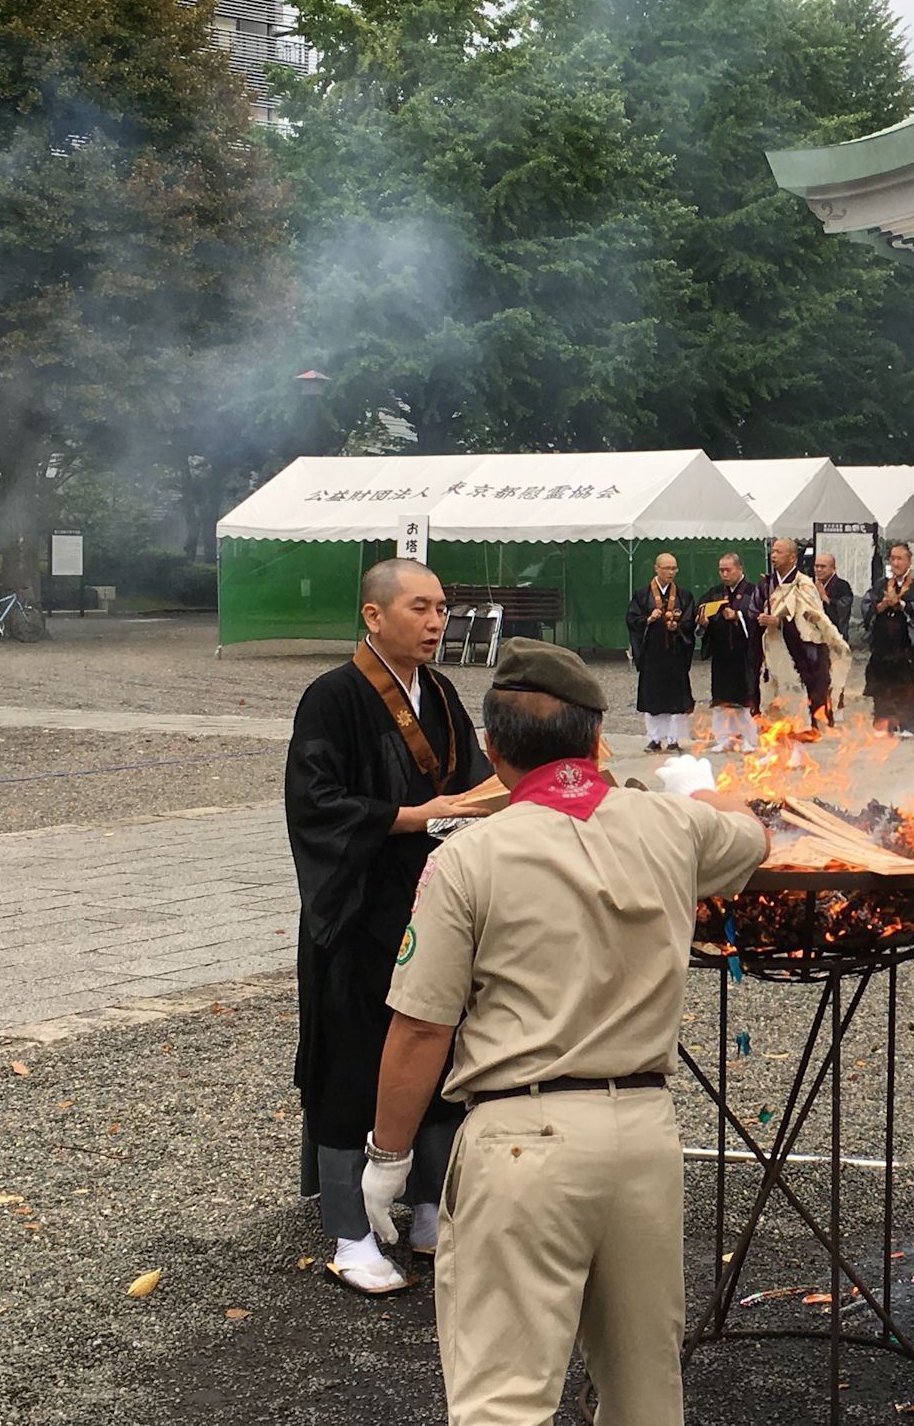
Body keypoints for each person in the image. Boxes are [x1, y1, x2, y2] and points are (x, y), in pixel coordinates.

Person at [363, 639, 769, 1423]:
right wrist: (696, 783)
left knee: (504, 1400)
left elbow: (420, 1030)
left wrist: (388, 1155)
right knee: (646, 1395)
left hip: (523, 1139)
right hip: (646, 1136)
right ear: (595, 739)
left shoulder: (468, 857)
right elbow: (752, 834)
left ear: (492, 749)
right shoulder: (669, 829)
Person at [284, 558, 492, 1295]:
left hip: (431, 895)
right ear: (374, 615)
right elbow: (316, 805)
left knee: (438, 1046)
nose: (437, 622)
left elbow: (470, 780)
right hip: (357, 904)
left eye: (442, 608)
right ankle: (349, 1229)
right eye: (420, 608)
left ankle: (430, 1205)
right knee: (354, 1058)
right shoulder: (332, 697)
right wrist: (416, 816)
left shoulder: (438, 691)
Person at [759, 536, 849, 731]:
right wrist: (761, 618)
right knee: (775, 690)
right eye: (772, 551)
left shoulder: (804, 584)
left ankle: (807, 726)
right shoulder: (766, 584)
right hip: (775, 647)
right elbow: (754, 609)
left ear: (792, 557)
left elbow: (813, 615)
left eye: (778, 552)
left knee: (806, 689)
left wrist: (781, 620)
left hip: (802, 646)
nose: (773, 556)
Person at [626, 553, 697, 751]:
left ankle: (674, 739)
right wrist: (648, 619)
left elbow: (690, 621)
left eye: (674, 568)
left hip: (675, 653)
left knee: (676, 698)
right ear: (656, 568)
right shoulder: (642, 595)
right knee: (653, 697)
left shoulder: (684, 595)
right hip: (652, 654)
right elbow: (632, 619)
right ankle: (655, 738)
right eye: (667, 568)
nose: (671, 572)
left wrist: (678, 627)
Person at [861, 542, 914, 738]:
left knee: (905, 686)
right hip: (883, 645)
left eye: (900, 558)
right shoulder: (880, 585)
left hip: (904, 645)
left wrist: (902, 604)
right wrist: (880, 606)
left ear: (909, 561)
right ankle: (884, 722)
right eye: (893, 558)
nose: (896, 562)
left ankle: (909, 724)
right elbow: (867, 606)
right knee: (882, 686)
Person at [698, 553, 762, 753]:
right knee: (722, 699)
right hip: (722, 654)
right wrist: (705, 623)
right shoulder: (715, 593)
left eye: (728, 570)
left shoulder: (755, 591)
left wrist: (739, 615)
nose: (724, 574)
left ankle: (749, 739)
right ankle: (724, 738)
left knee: (746, 698)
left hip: (746, 655)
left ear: (740, 569)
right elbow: (703, 616)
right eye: (721, 570)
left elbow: (759, 618)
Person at [814, 552, 856, 641]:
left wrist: (824, 597)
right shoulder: (812, 585)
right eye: (816, 566)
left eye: (823, 566)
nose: (818, 569)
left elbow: (844, 609)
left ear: (833, 568)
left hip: (836, 635)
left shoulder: (842, 585)